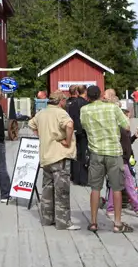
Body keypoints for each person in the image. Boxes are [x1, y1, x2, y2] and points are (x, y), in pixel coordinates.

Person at [81, 85, 133, 233]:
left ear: (88, 97)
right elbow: (127, 126)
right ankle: (117, 223)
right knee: (116, 188)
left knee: (95, 188)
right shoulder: (112, 108)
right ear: (100, 95)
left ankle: (93, 222)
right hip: (114, 152)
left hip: (96, 153)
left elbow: (84, 127)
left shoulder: (84, 110)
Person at [28, 92, 80, 230]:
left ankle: (47, 218)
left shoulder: (41, 113)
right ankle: (63, 222)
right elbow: (69, 125)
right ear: (61, 101)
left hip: (46, 155)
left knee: (47, 188)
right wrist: (67, 141)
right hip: (59, 155)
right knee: (61, 189)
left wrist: (41, 135)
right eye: (65, 100)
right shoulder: (61, 113)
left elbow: (31, 124)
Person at [105, 106, 138, 217]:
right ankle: (137, 207)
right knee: (129, 183)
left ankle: (110, 208)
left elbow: (127, 143)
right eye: (127, 117)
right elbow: (124, 145)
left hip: (119, 158)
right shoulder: (122, 129)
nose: (129, 120)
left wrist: (134, 137)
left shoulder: (121, 129)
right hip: (122, 159)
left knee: (114, 184)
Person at [66, 85, 89, 186]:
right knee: (84, 155)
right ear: (85, 92)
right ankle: (83, 179)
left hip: (74, 130)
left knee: (75, 155)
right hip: (83, 132)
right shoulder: (85, 104)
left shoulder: (71, 103)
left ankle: (75, 177)